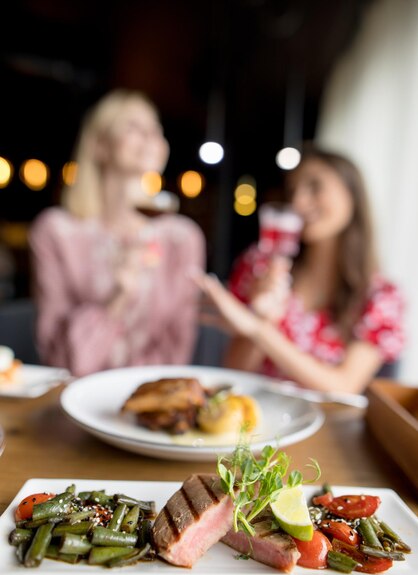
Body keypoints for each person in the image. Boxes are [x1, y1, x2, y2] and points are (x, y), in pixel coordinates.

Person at [195, 146, 404, 394]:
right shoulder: (261, 266)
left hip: (329, 428)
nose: (298, 202)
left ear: (353, 195)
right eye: (293, 191)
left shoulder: (382, 296)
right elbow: (235, 372)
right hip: (258, 419)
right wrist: (264, 316)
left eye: (314, 187)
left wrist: (259, 329)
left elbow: (344, 387)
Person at [30, 89, 205, 376]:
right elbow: (59, 360)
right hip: (74, 401)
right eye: (134, 127)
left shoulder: (183, 239)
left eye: (156, 129)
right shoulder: (56, 232)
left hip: (150, 408)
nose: (150, 138)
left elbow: (177, 353)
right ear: (99, 145)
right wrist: (117, 299)